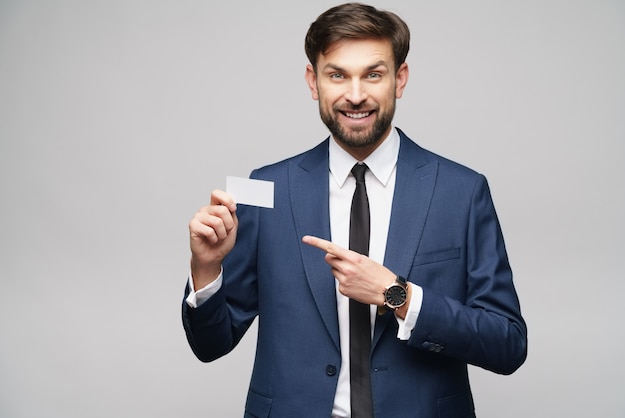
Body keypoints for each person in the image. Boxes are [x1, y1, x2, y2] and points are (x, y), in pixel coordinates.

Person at [182, 3, 527, 417]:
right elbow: (210, 345)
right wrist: (206, 270)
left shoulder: (462, 191)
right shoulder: (268, 188)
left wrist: (397, 296)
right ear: (314, 81)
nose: (356, 94)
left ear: (400, 79)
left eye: (373, 74)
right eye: (337, 75)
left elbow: (508, 344)